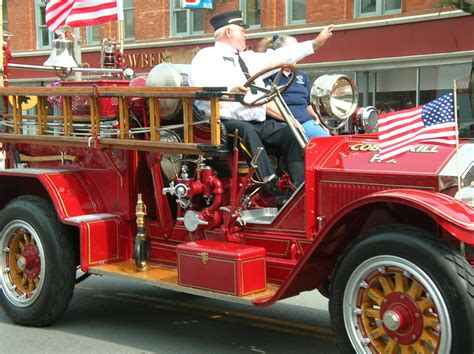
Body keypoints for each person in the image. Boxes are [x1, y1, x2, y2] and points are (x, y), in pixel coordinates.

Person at [190, 10, 333, 187]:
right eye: (241, 30)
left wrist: (314, 44)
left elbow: (279, 56)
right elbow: (201, 89)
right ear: (228, 32)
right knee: (246, 131)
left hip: (256, 119)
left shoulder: (248, 58)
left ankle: (300, 186)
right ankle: (269, 182)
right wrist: (230, 92)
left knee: (289, 133)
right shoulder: (206, 57)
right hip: (224, 122)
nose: (245, 35)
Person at [260, 35, 329, 139]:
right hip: (280, 123)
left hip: (305, 121)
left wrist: (316, 116)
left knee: (326, 141)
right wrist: (289, 120)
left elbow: (307, 103)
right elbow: (265, 105)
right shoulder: (265, 75)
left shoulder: (301, 76)